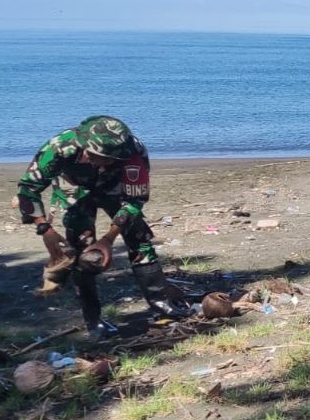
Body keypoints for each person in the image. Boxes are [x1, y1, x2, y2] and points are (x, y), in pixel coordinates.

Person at [16, 115, 188, 338]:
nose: (90, 159)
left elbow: (134, 202)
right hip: (75, 190)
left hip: (115, 187)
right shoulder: (59, 147)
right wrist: (45, 229)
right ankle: (93, 319)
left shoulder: (134, 153)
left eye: (100, 158)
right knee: (81, 250)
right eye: (87, 152)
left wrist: (108, 239)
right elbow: (28, 189)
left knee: (140, 240)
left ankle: (162, 306)